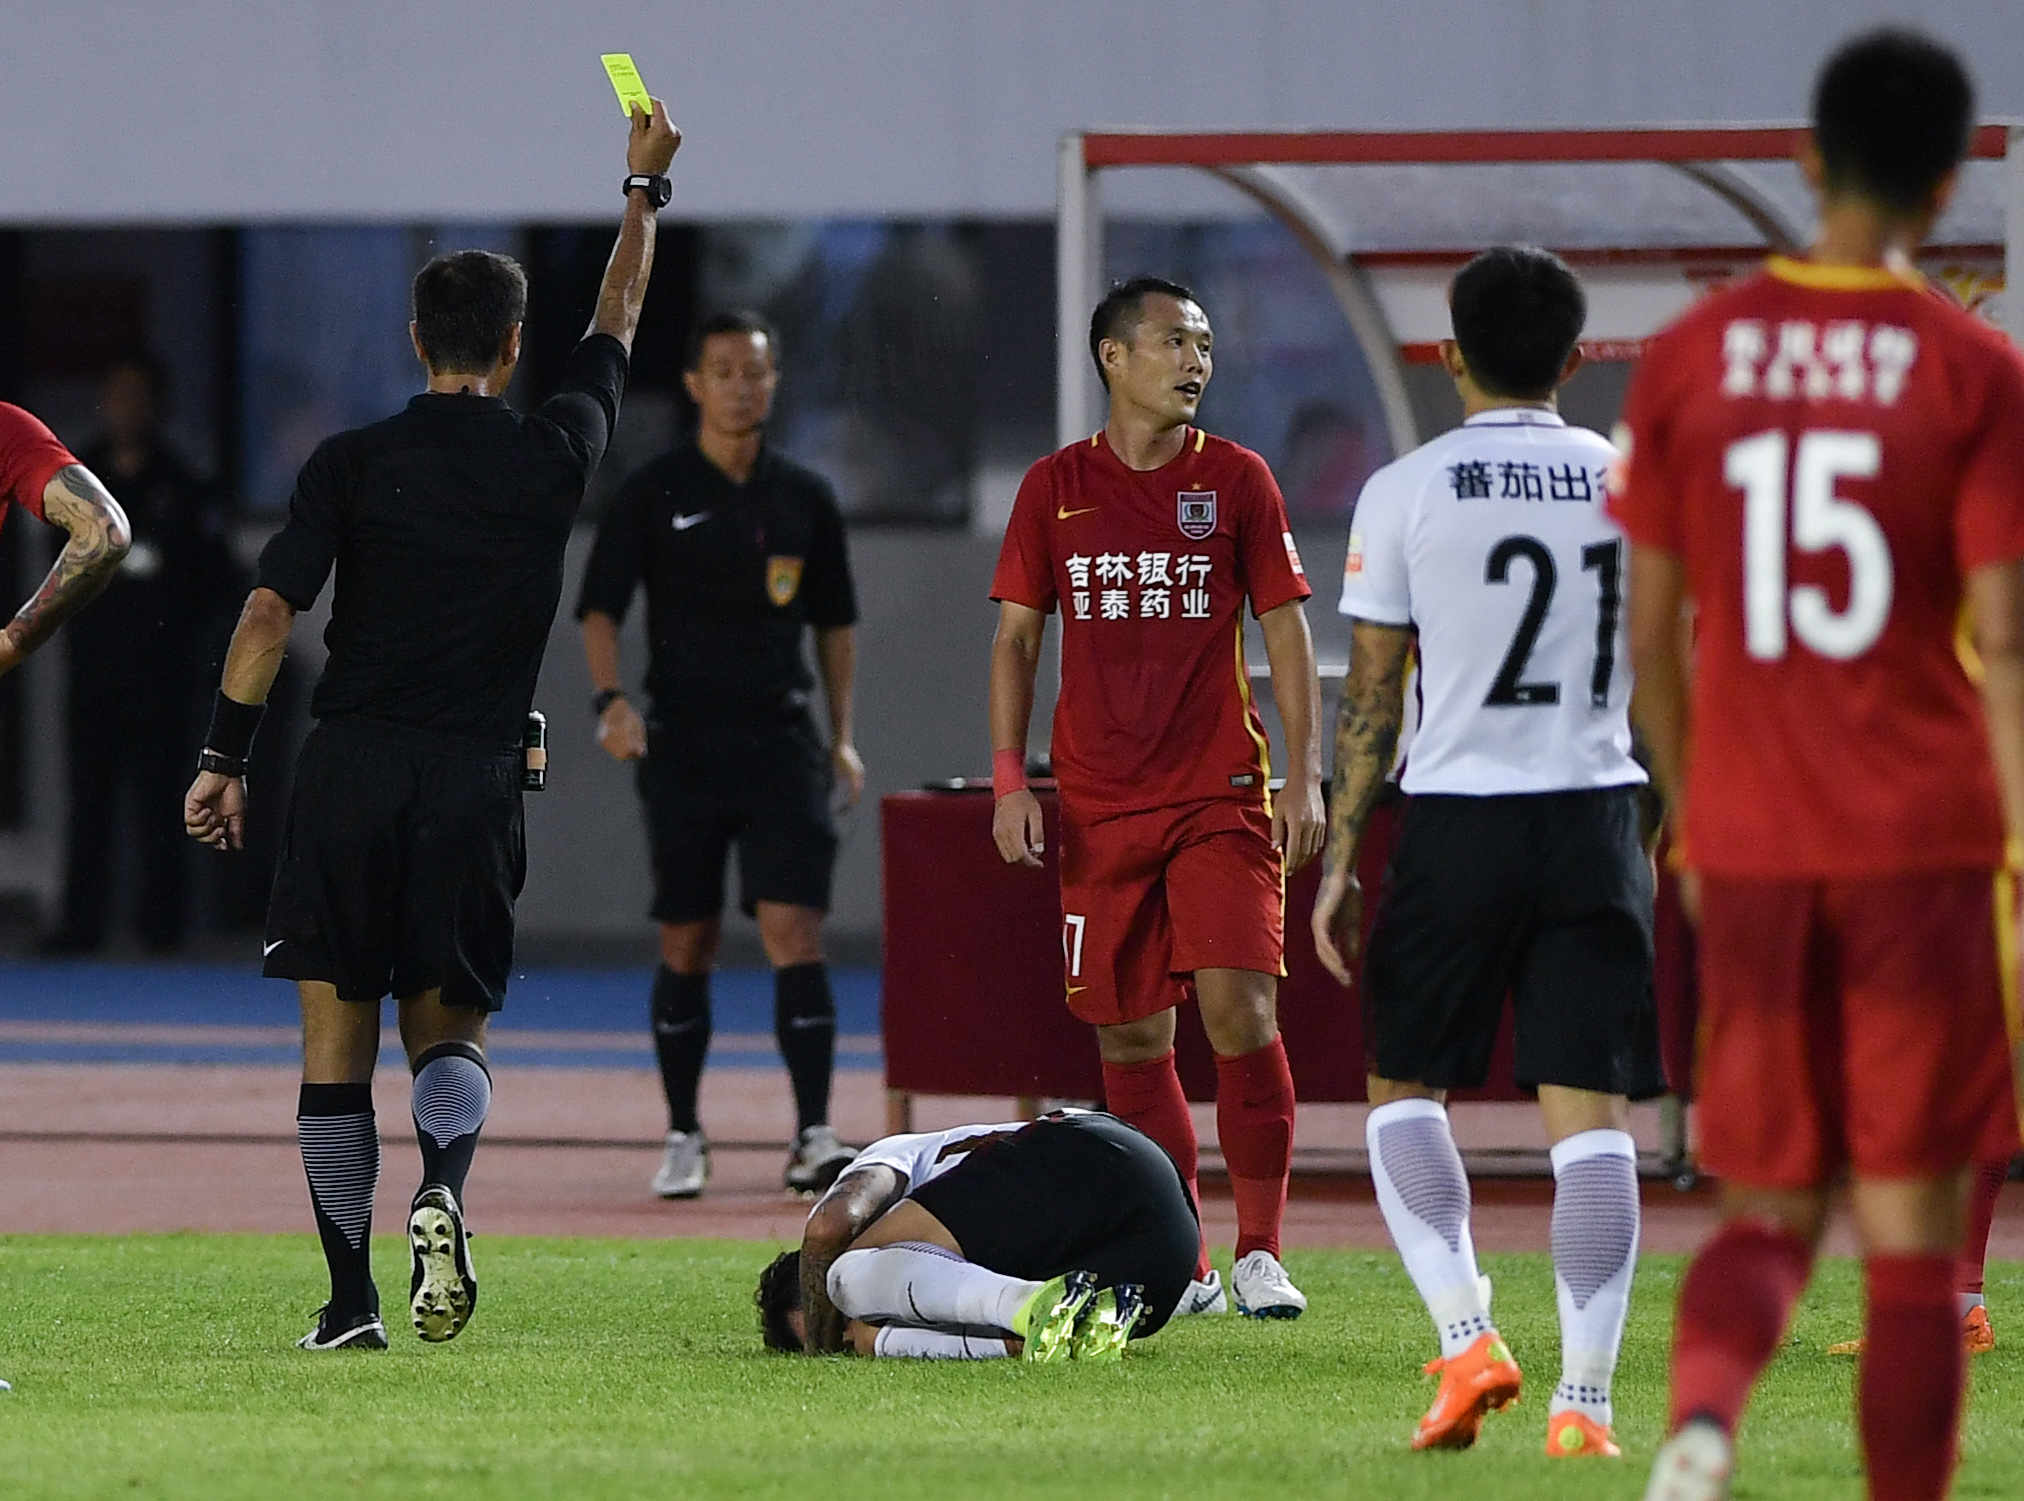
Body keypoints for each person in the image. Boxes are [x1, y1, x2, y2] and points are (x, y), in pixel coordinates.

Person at [183, 99, 683, 1353]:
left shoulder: (348, 463)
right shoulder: (555, 450)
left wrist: (224, 758)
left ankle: (350, 1301)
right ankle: (442, 1191)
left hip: (348, 767)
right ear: (513, 346)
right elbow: (617, 323)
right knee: (447, 1029)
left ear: (416, 341)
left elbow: (265, 612)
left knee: (332, 1044)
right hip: (473, 776)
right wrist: (641, 191)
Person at [1616, 30, 2024, 1501]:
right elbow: (2006, 641)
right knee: (1911, 1241)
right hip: (1922, 845)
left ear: (1805, 160)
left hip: (1756, 843)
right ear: (1945, 184)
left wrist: (1695, 818)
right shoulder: (1976, 370)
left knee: (1765, 1210)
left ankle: (1700, 1428)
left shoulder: (1691, 359)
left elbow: (1652, 637)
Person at [1312, 245, 1662, 1459]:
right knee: (1592, 1120)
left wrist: (1339, 857)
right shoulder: (1633, 484)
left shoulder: (1404, 488)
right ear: (1576, 357)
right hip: (1593, 815)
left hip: (1457, 817)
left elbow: (1371, 692)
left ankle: (1466, 1338)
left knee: (1403, 1087)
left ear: (1448, 354)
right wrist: (1648, 830)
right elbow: (1667, 675)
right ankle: (1586, 1408)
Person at [988, 277, 1326, 1320]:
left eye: (1205, 346)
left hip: (1219, 791)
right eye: (1175, 341)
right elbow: (1015, 640)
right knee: (1131, 1041)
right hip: (1098, 805)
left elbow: (1285, 631)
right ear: (1113, 356)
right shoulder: (1052, 488)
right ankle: (1187, 1262)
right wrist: (1009, 779)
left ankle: (1261, 1250)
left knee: (1239, 1009)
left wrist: (1305, 772)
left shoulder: (1237, 479)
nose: (1195, 362)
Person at [577, 310, 862, 1201]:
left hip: (782, 740)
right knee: (688, 939)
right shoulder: (654, 490)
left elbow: (835, 625)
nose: (742, 386)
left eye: (756, 371)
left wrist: (842, 737)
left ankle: (813, 1133)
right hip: (684, 744)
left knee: (795, 929)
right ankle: (684, 1131)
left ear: (776, 382)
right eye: (726, 371)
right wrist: (611, 701)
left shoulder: (805, 497)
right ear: (696, 384)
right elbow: (598, 606)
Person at [44, 354, 233, 955]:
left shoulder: (182, 481)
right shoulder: (81, 477)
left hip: (161, 673)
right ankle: (81, 925)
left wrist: (172, 625)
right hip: (94, 669)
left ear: (158, 405)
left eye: (139, 395)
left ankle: (162, 925)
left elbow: (211, 575)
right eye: (118, 394)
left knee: (162, 798)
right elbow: (55, 563)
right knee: (89, 800)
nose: (128, 408)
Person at [756, 1109, 1199, 1361]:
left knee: (849, 1277)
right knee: (1019, 1321)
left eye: (840, 1324)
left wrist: (826, 1345)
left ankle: (1031, 1304)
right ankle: (1042, 1309)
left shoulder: (888, 1162)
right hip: (1157, 1269)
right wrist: (884, 1340)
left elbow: (830, 1226)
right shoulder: (947, 1296)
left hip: (1089, 1154)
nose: (850, 1334)